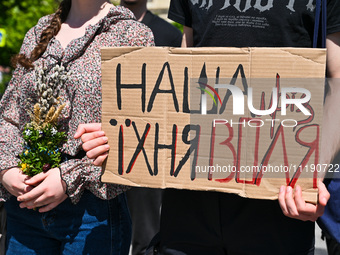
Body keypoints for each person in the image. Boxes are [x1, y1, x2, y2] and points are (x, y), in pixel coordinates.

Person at [75, 0, 340, 254]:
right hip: (190, 202)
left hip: (277, 201)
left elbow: (337, 79)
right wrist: (119, 131)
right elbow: (184, 67)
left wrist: (313, 172)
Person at [0, 0, 154, 254]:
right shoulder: (38, 34)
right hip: (25, 210)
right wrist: (7, 169)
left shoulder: (132, 34)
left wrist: (69, 177)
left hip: (92, 214)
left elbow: (141, 130)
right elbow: (9, 114)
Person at [118, 1, 181, 255]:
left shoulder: (169, 34)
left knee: (145, 233)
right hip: (104, 144)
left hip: (148, 149)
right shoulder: (99, 27)